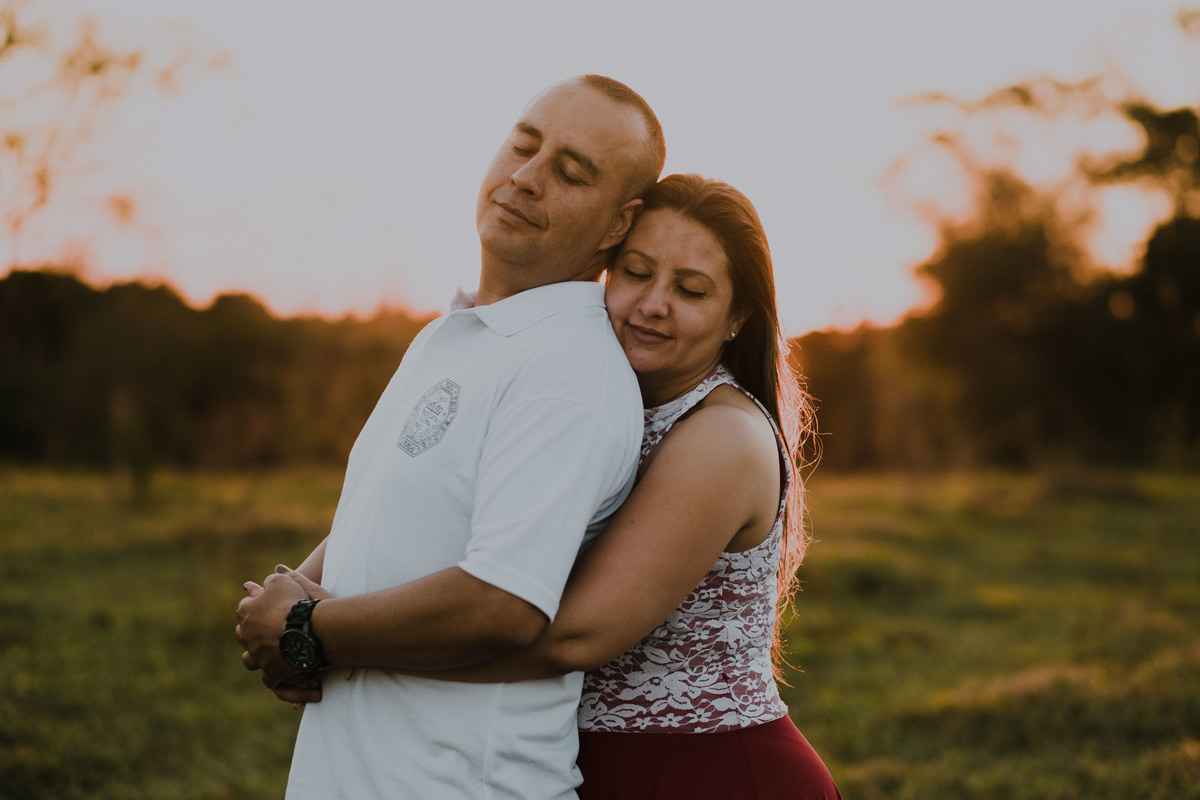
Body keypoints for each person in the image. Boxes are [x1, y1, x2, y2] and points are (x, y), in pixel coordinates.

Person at [235, 75, 665, 799]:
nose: (526, 178)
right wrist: (293, 590)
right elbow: (390, 508)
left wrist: (306, 627)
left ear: (617, 225)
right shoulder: (449, 336)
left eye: (570, 172)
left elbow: (502, 603)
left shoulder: (570, 368)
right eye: (524, 146)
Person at [405, 173, 842, 798]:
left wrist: (339, 645)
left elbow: (578, 634)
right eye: (636, 273)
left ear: (736, 318)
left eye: (690, 290)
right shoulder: (588, 400)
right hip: (580, 763)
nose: (653, 303)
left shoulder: (724, 437)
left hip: (711, 771)